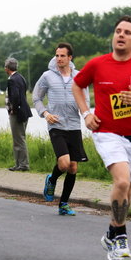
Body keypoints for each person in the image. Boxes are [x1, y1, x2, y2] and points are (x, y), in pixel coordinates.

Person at [73, 16, 131, 260]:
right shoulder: (97, 64)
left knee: (127, 190)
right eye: (118, 31)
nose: (121, 35)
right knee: (122, 180)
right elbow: (77, 85)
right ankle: (121, 236)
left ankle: (111, 231)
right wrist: (86, 113)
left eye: (127, 32)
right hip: (106, 133)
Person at [33, 43, 90, 216]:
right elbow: (36, 97)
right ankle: (52, 179)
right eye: (57, 55)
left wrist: (87, 115)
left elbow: (85, 100)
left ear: (70, 57)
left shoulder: (79, 77)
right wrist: (45, 113)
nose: (59, 59)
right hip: (56, 125)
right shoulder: (47, 76)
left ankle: (63, 204)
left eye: (62, 56)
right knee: (64, 163)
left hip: (73, 125)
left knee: (73, 167)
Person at [5, 57, 32, 171]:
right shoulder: (21, 77)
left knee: (19, 139)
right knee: (19, 138)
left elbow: (15, 96)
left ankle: (23, 165)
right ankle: (18, 164)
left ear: (7, 68)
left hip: (17, 113)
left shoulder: (12, 80)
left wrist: (13, 109)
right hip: (24, 111)